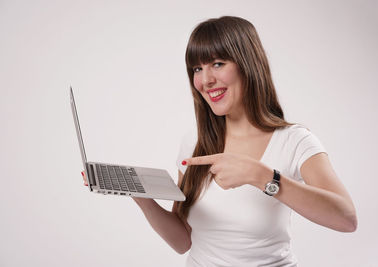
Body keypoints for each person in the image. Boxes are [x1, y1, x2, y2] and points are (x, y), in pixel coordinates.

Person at [82, 16, 357, 267]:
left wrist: (261, 176)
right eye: (197, 68)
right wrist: (140, 196)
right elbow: (183, 241)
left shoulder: (295, 141)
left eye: (217, 64)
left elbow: (346, 219)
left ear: (248, 64)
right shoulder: (193, 143)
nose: (205, 80)